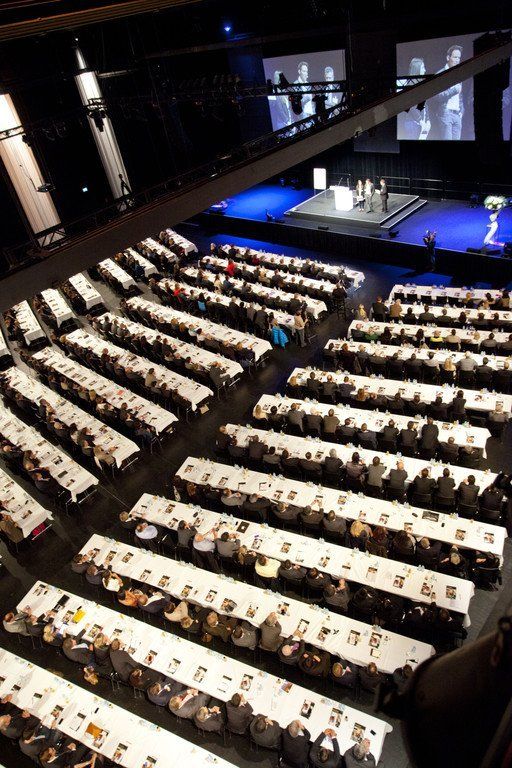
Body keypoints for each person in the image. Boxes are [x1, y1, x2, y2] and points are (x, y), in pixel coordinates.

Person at [430, 44, 464, 141]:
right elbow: (437, 95)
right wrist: (453, 91)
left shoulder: (458, 74)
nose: (457, 60)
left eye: (459, 58)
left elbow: (460, 96)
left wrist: (462, 109)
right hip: (446, 113)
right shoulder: (441, 74)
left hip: (457, 114)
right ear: (448, 58)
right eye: (455, 57)